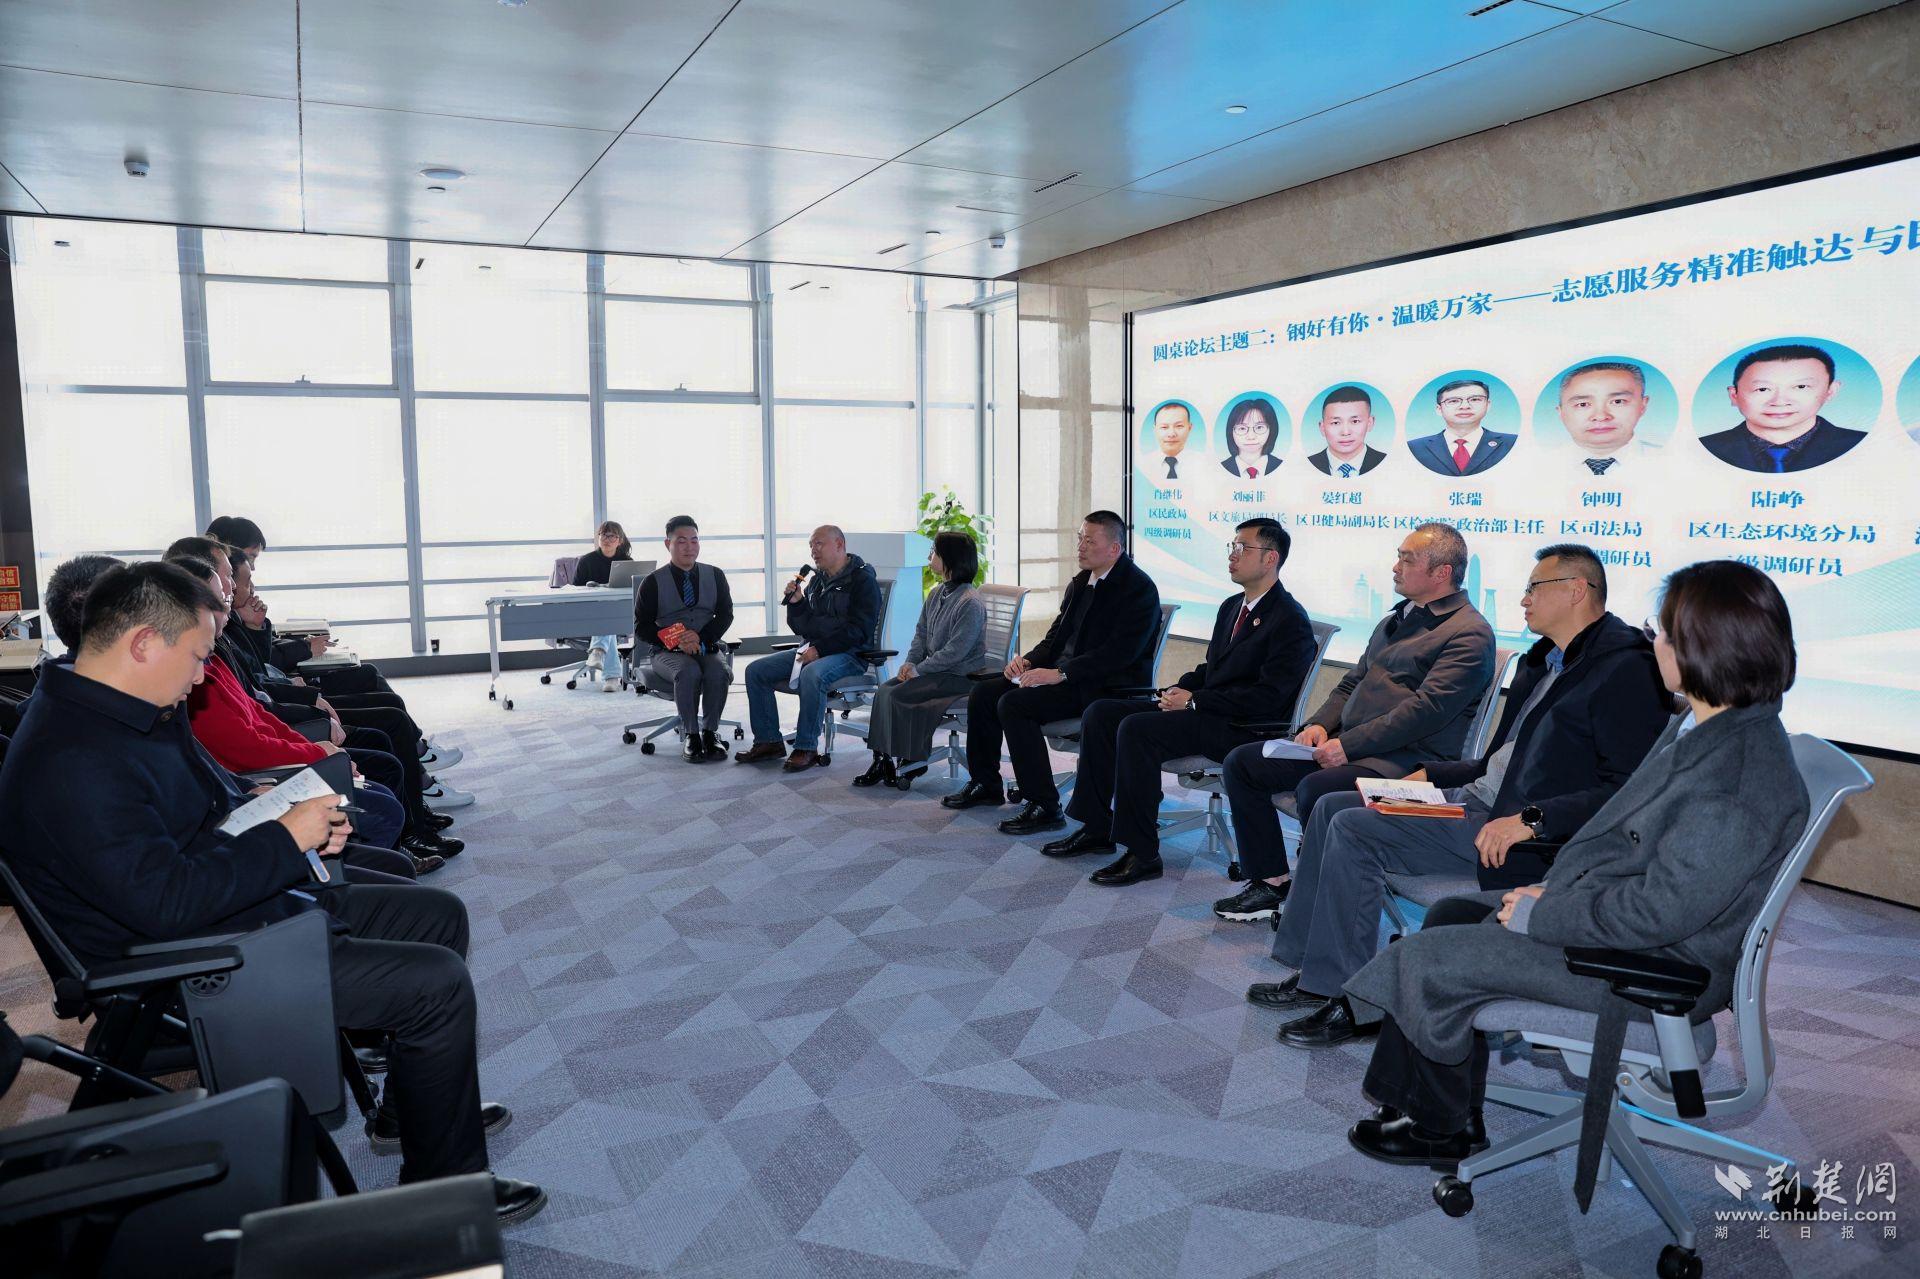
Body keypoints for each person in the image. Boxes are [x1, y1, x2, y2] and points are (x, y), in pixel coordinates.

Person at [0, 561, 547, 1223]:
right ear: (143, 644)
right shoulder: (72, 760)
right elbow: (165, 904)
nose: (202, 676)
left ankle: (413, 1116)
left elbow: (200, 809)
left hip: (236, 906)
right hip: (193, 959)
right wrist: (287, 838)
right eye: (197, 656)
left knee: (438, 916)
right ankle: (445, 1194)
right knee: (437, 985)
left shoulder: (122, 707)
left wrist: (270, 806)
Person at [1341, 560, 1808, 1176]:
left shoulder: (1735, 778)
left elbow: (1660, 913)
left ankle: (1437, 1128)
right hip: (1623, 929)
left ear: (1702, 647)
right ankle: (1442, 1110)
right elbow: (1633, 848)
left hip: (1649, 968)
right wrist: (1552, 888)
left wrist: (1546, 911)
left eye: (1662, 632)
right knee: (1452, 913)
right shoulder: (1705, 729)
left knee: (1427, 958)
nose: (1653, 643)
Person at [1250, 544, 1672, 1048]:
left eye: (1534, 588)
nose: (1523, 600)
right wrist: (1429, 774)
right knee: (1334, 805)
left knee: (1353, 826)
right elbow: (1497, 761)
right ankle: (1312, 970)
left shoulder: (1624, 669)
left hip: (1512, 827)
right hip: (1474, 799)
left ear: (1576, 590)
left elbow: (1627, 788)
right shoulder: (1544, 662)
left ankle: (1354, 1002)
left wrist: (1533, 819)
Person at [1213, 523, 1495, 923]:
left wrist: (1348, 745)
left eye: (1407, 559)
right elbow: (1351, 683)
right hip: (1352, 747)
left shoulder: (1469, 633)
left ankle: (1321, 905)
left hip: (1405, 764)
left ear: (1441, 572)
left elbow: (1425, 711)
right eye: (1398, 557)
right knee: (1244, 763)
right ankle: (1271, 881)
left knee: (1318, 789)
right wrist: (1318, 725)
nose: (1395, 567)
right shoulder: (1396, 619)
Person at [1043, 518, 1317, 887]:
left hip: (1244, 727)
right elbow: (1212, 669)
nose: (1232, 555)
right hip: (1209, 713)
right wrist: (1178, 689)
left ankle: (1142, 852)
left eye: (1242, 548)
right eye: (1232, 547)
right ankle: (1097, 826)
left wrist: (1195, 702)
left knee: (1138, 729)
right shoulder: (1232, 606)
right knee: (1103, 712)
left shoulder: (1289, 619)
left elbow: (1268, 697)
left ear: (1271, 558)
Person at [942, 511, 1162, 836]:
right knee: (985, 693)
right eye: (1080, 538)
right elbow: (1054, 639)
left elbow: (1118, 655)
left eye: (1090, 541)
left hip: (1105, 686)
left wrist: (1060, 673)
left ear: (1114, 549)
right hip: (1066, 678)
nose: (1081, 546)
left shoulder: (1138, 589)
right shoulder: (1081, 583)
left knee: (1015, 705)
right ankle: (986, 783)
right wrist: (1027, 663)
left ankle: (1044, 804)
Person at [737, 525, 881, 773]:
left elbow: (859, 630)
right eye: (811, 545)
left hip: (850, 655)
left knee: (812, 673)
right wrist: (797, 603)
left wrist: (820, 650)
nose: (814, 550)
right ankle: (769, 741)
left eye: (819, 544)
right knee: (756, 671)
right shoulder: (816, 581)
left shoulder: (862, 581)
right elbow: (803, 627)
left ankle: (806, 748)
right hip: (814, 649)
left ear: (839, 545)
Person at [851, 532, 987, 790]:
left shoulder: (970, 603)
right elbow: (921, 635)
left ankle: (911, 758)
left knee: (898, 694)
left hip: (960, 677)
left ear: (950, 558)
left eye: (934, 551)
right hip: (937, 672)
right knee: (885, 690)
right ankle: (882, 760)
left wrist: (919, 670)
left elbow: (955, 653)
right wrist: (910, 663)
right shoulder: (937, 593)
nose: (929, 555)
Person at [634, 516, 736, 763]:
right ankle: (691, 734)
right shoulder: (652, 582)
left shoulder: (715, 575)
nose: (689, 547)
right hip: (666, 651)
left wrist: (700, 637)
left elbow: (725, 614)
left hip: (705, 645)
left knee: (718, 671)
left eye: (694, 540)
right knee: (688, 672)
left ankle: (710, 733)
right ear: (667, 544)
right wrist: (676, 640)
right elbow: (641, 627)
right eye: (681, 541)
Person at [1698, 343, 1865, 473]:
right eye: (1762, 389)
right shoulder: (1702, 448)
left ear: (1830, 391)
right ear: (1734, 396)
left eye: (1801, 387)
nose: (1779, 402)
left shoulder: (1864, 446)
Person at [1554, 361, 1662, 475]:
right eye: (1583, 404)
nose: (1601, 417)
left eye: (1618, 401)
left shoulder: (1670, 460)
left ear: (1643, 406)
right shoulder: (1543, 464)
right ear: (1561, 412)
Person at [571, 520, 633, 690]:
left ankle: (598, 651)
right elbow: (575, 591)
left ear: (620, 540)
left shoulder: (627, 562)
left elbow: (633, 591)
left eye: (612, 536)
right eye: (604, 535)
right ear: (598, 538)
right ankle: (611, 676)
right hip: (590, 612)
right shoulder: (586, 561)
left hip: (618, 612)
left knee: (609, 617)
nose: (607, 539)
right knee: (608, 620)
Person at [1407, 378, 1516, 476]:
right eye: (1454, 401)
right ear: (1439, 409)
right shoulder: (1414, 447)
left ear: (1488, 405)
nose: (1465, 406)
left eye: (1475, 399)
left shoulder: (1513, 443)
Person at [1307, 386, 1388, 478]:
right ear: (1322, 428)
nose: (1345, 432)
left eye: (1355, 421)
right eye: (1336, 423)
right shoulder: (1305, 466)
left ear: (1370, 423)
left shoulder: (1388, 462)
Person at [1219, 397, 1283, 480]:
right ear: (1231, 432)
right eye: (1242, 428)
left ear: (1272, 430)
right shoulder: (1219, 469)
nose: (1251, 437)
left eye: (1259, 427)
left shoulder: (1284, 467)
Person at [1149, 403, 1194, 482]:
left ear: (1189, 428)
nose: (1171, 434)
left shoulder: (1204, 464)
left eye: (1179, 426)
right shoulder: (1143, 464)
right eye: (1164, 427)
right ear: (1155, 429)